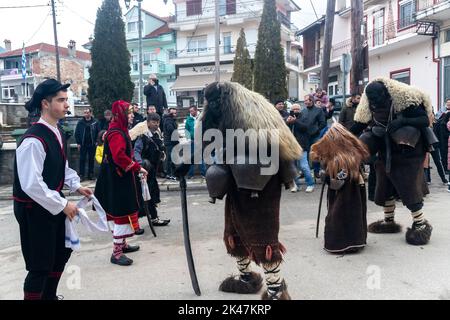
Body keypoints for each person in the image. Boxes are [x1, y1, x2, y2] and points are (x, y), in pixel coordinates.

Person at [201, 81, 301, 300]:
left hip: (261, 184)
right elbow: (210, 140)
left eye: (217, 100)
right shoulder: (222, 115)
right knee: (234, 231)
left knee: (262, 234)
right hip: (235, 181)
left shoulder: (257, 112)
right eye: (211, 102)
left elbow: (279, 148)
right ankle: (246, 277)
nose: (215, 105)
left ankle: (275, 288)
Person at [14, 79, 93, 300]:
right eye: (61, 100)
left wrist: (76, 186)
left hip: (52, 204)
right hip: (33, 209)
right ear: (45, 104)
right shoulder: (32, 140)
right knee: (39, 264)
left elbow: (61, 165)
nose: (67, 104)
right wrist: (63, 204)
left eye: (66, 100)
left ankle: (49, 296)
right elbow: (31, 184)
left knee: (60, 253)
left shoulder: (56, 131)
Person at [351, 78, 433, 245]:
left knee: (408, 185)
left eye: (377, 99)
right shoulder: (368, 103)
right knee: (384, 184)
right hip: (385, 148)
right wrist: (341, 136)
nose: (374, 103)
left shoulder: (405, 100)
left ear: (385, 94)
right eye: (371, 100)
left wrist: (403, 121)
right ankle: (389, 222)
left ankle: (421, 224)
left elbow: (424, 120)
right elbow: (359, 124)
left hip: (409, 150)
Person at [94, 100, 148, 266]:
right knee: (121, 214)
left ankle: (122, 244)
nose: (131, 116)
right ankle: (116, 253)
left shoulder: (119, 129)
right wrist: (138, 167)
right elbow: (119, 156)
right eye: (129, 113)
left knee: (122, 213)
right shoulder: (116, 132)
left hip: (118, 178)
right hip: (117, 180)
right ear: (121, 115)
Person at [311, 123, 369, 253]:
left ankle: (341, 244)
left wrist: (325, 176)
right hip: (356, 190)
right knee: (355, 214)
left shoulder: (339, 160)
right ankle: (357, 241)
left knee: (339, 215)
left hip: (343, 193)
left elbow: (336, 183)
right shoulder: (354, 154)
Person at [134, 113, 170, 226]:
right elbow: (136, 151)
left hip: (152, 171)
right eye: (154, 122)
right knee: (140, 198)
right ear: (148, 122)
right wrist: (140, 166)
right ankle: (134, 225)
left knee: (152, 196)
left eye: (158, 122)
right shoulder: (142, 136)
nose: (156, 124)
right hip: (142, 171)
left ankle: (154, 218)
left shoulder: (156, 134)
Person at [286, 103, 315, 193]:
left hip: (302, 145)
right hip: (291, 146)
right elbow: (286, 130)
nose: (295, 111)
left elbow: (305, 128)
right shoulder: (289, 118)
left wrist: (295, 121)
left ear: (300, 109)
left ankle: (310, 184)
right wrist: (288, 123)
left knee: (304, 166)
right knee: (293, 167)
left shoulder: (304, 117)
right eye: (293, 109)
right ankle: (296, 185)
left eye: (297, 109)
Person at [303, 94, 327, 181]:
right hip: (305, 136)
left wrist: (317, 130)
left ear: (312, 101)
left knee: (315, 154)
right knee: (306, 155)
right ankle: (307, 172)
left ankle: (317, 171)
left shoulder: (318, 110)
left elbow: (323, 123)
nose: (305, 102)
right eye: (304, 100)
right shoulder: (303, 111)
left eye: (307, 100)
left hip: (315, 136)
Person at [75, 107, 98, 181]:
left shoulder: (95, 122)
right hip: (83, 144)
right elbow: (77, 133)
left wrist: (97, 141)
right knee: (82, 159)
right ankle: (81, 175)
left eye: (87, 112)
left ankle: (90, 175)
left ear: (91, 113)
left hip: (92, 144)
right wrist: (78, 143)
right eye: (85, 112)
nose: (86, 114)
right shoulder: (80, 122)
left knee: (91, 159)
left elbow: (98, 132)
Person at [185, 106, 206, 178]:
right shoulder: (188, 120)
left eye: (192, 111)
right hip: (192, 141)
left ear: (196, 110)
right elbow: (186, 130)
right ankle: (191, 174)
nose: (191, 112)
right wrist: (188, 139)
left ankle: (203, 173)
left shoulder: (201, 118)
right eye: (190, 111)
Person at [163, 107, 179, 180]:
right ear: (170, 113)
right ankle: (171, 174)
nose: (175, 114)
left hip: (170, 142)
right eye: (173, 113)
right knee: (171, 159)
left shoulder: (170, 120)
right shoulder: (169, 120)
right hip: (170, 142)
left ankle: (169, 174)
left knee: (170, 158)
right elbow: (171, 131)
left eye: (175, 113)